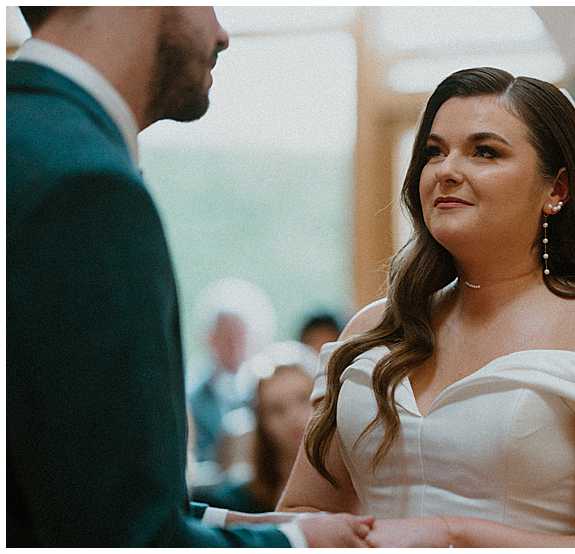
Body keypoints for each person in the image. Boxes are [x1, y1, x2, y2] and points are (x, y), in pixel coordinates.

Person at [276, 67, 575, 547]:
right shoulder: (373, 328)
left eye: (484, 151)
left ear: (556, 190)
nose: (446, 171)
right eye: (434, 152)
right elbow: (304, 512)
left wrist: (454, 534)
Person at [7, 7, 372, 546]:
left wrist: (268, 524)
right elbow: (119, 536)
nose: (222, 33)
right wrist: (301, 545)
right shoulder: (84, 186)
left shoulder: (23, 139)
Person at [192, 364, 315, 514]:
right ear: (263, 424)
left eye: (304, 399)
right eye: (277, 409)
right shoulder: (234, 502)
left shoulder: (348, 486)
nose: (293, 417)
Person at [189, 311, 252, 465]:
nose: (234, 345)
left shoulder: (257, 393)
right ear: (210, 339)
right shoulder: (194, 399)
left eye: (239, 337)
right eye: (226, 338)